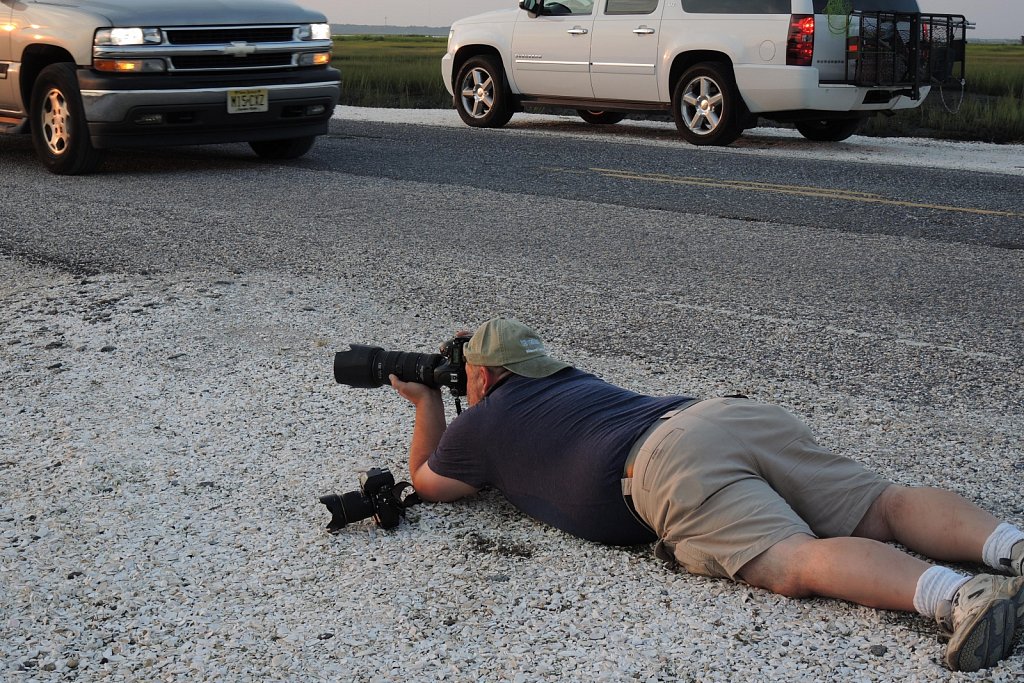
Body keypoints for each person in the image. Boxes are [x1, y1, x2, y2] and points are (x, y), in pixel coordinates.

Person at [389, 318, 1024, 673]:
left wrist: (425, 403)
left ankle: (960, 598)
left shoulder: (483, 423)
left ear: (483, 374)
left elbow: (427, 481)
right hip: (719, 415)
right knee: (885, 504)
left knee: (795, 559)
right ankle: (1010, 547)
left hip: (663, 464)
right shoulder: (569, 379)